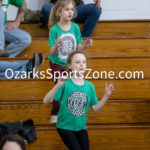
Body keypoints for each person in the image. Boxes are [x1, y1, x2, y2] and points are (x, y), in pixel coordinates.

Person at [43, 51, 114, 150]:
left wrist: (106, 96)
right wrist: (58, 86)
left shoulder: (89, 86)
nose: (81, 64)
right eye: (77, 62)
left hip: (81, 128)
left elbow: (95, 109)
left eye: (83, 62)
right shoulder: (65, 83)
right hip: (64, 127)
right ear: (69, 65)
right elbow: (46, 100)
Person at [48, 0, 93, 123]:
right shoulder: (54, 30)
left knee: (71, 88)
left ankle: (69, 113)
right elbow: (51, 53)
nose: (70, 12)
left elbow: (78, 47)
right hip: (57, 63)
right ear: (59, 12)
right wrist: (56, 46)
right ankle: (55, 113)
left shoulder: (75, 28)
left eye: (72, 9)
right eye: (67, 9)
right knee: (61, 86)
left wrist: (85, 46)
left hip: (70, 64)